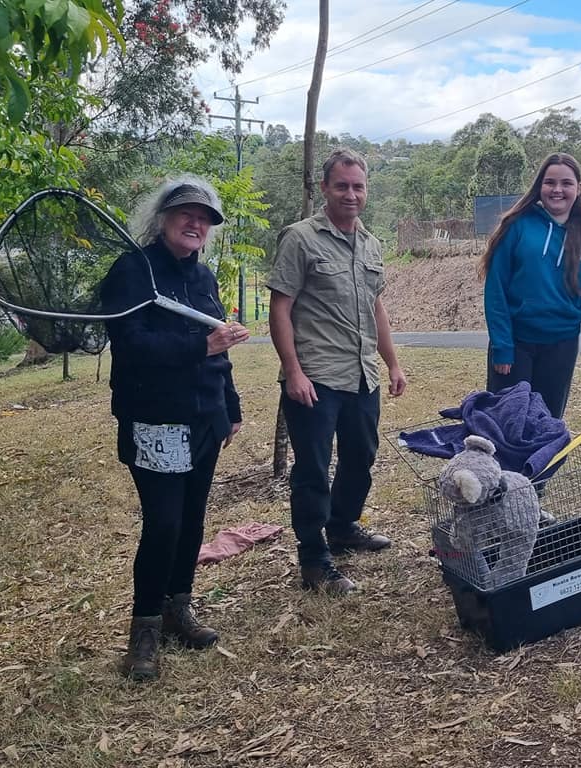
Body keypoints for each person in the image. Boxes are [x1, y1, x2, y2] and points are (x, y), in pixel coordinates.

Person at [100, 176, 251, 680]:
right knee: (163, 523)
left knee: (191, 521)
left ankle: (176, 609)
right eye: (187, 213)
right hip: (156, 420)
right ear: (162, 218)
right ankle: (143, 631)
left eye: (205, 218)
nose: (197, 223)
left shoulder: (204, 279)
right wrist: (199, 348)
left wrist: (229, 405)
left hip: (205, 417)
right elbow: (132, 347)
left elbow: (218, 345)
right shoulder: (132, 271)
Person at [268, 149, 407, 595]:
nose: (351, 193)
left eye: (358, 186)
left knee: (361, 458)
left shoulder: (371, 244)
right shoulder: (300, 238)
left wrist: (392, 363)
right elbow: (280, 307)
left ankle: (343, 526)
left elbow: (376, 306)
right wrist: (293, 371)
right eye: (342, 185)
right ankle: (314, 559)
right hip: (316, 377)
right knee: (312, 468)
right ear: (325, 187)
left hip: (361, 375)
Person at [480, 152, 581, 422]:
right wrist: (503, 346)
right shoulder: (516, 226)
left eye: (566, 183)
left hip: (561, 347)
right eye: (550, 182)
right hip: (515, 346)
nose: (557, 190)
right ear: (540, 186)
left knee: (545, 425)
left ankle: (542, 467)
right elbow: (496, 291)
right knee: (504, 424)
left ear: (578, 189)